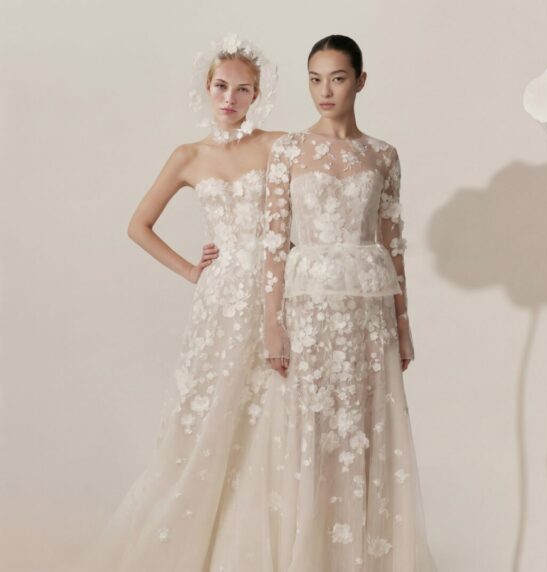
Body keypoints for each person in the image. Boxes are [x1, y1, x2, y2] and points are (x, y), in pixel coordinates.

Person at [79, 35, 285, 571]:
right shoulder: (188, 156)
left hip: (274, 297)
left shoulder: (279, 146)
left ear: (258, 94)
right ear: (206, 88)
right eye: (221, 86)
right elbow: (138, 226)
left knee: (269, 416)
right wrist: (193, 271)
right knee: (211, 416)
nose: (230, 99)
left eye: (243, 89)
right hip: (220, 304)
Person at [258, 34, 436, 570]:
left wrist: (403, 324)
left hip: (368, 311)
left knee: (365, 430)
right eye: (315, 79)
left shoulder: (383, 155)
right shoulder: (288, 151)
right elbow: (274, 243)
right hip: (308, 309)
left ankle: (362, 557)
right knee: (311, 430)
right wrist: (272, 323)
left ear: (360, 80)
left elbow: (394, 243)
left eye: (337, 78)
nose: (325, 91)